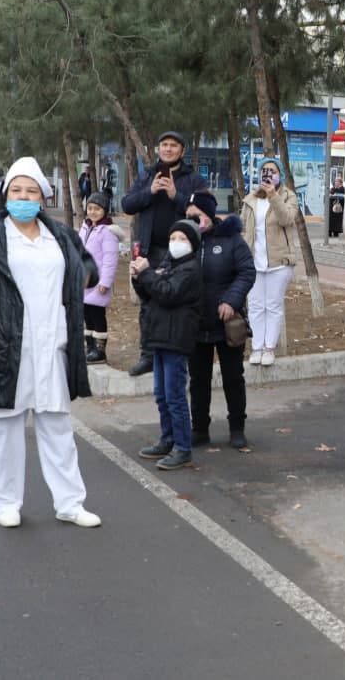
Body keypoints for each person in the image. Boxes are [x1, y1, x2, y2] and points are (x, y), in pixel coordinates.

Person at [0, 157, 102, 529]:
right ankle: (6, 502)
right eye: (16, 190)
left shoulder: (59, 235)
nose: (24, 197)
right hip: (4, 343)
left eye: (31, 191)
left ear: (43, 197)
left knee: (57, 426)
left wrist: (85, 277)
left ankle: (70, 503)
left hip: (51, 344)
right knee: (6, 429)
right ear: (5, 195)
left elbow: (87, 266)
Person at [121, 132, 209, 376]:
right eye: (164, 145)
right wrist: (149, 191)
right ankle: (148, 355)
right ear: (158, 148)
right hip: (149, 250)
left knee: (178, 304)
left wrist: (175, 196)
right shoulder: (147, 175)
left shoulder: (193, 178)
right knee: (148, 304)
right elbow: (127, 204)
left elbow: (202, 211)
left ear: (182, 150)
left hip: (180, 253)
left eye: (173, 145)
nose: (168, 149)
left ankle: (181, 354)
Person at [131, 219, 204, 470]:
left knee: (175, 396)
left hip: (176, 339)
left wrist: (147, 274)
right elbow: (151, 294)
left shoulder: (190, 269)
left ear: (192, 244)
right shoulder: (168, 264)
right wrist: (139, 279)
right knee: (162, 395)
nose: (176, 243)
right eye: (173, 238)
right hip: (160, 337)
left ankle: (183, 448)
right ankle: (167, 439)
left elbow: (168, 293)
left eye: (182, 239)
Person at [187, 191, 256, 449]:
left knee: (233, 377)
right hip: (196, 322)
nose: (193, 221)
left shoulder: (231, 239)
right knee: (198, 380)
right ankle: (199, 429)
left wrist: (231, 300)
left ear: (209, 214)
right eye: (189, 216)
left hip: (226, 322)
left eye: (197, 215)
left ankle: (237, 428)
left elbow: (246, 272)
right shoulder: (185, 239)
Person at [240, 157, 298, 366]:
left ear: (279, 175)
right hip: (254, 263)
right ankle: (257, 347)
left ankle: (269, 348)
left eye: (272, 171)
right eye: (264, 171)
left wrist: (273, 195)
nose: (268, 174)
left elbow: (286, 219)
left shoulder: (288, 196)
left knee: (273, 306)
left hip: (279, 262)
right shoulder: (251, 199)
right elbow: (244, 230)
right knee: (255, 306)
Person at [78, 191, 124, 365]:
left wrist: (105, 282)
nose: (93, 212)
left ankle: (100, 350)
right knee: (86, 315)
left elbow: (110, 260)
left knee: (97, 315)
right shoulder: (85, 227)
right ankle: (89, 347)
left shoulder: (108, 232)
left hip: (98, 283)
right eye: (90, 208)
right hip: (84, 281)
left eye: (97, 209)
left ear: (105, 210)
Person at [328, 173, 345, 238]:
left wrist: (335, 194)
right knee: (331, 220)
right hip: (332, 207)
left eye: (337, 181)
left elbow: (342, 196)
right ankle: (329, 231)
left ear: (340, 183)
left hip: (338, 208)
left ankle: (336, 232)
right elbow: (330, 194)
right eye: (335, 181)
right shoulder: (332, 188)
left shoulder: (342, 189)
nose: (335, 183)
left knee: (337, 220)